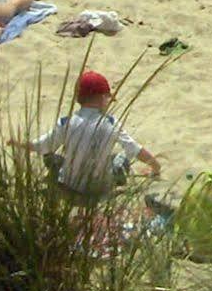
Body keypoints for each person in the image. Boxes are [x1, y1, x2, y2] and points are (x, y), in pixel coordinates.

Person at [15, 68, 159, 197]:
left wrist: (20, 144)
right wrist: (155, 167)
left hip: (71, 184)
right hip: (99, 187)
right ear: (103, 97)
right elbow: (135, 150)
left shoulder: (66, 122)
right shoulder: (111, 123)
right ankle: (118, 178)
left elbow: (42, 146)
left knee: (50, 156)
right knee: (120, 158)